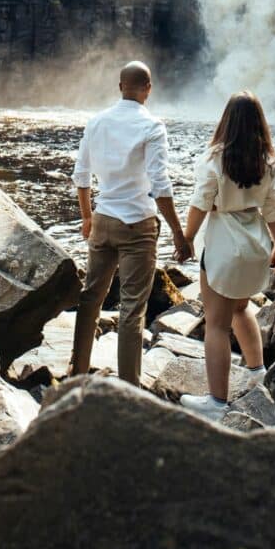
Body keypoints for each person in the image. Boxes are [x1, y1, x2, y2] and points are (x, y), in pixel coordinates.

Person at [70, 60, 191, 387]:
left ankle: (76, 375)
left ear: (120, 86)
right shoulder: (152, 127)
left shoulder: (96, 122)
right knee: (132, 310)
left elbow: (81, 175)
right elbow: (160, 184)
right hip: (138, 224)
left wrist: (86, 216)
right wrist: (179, 233)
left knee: (90, 298)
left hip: (103, 220)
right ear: (148, 90)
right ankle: (128, 390)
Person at [179, 90, 275, 421]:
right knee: (241, 307)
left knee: (216, 324)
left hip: (225, 245)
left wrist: (187, 238)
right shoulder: (267, 161)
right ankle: (257, 371)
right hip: (255, 245)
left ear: (227, 121)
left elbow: (200, 202)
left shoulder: (215, 158)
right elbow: (274, 208)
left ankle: (216, 402)